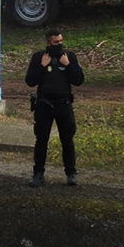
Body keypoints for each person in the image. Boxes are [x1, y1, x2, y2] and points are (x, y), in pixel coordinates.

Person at [25, 29, 85, 187]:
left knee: (67, 140)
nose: (59, 44)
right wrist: (42, 66)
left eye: (61, 41)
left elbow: (78, 80)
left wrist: (69, 65)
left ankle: (71, 173)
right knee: (41, 140)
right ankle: (38, 173)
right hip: (44, 104)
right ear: (48, 43)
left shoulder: (68, 56)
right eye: (55, 42)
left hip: (63, 104)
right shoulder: (39, 57)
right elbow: (30, 81)